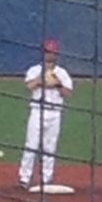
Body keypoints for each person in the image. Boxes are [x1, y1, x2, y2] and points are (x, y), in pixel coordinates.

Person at [18, 38, 73, 189]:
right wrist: (41, 80)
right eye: (48, 51)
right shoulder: (34, 70)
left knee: (50, 146)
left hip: (55, 112)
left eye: (52, 52)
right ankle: (24, 177)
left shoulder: (61, 73)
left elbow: (67, 93)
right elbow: (29, 86)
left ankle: (46, 178)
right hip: (37, 110)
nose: (50, 55)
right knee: (31, 144)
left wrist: (57, 84)